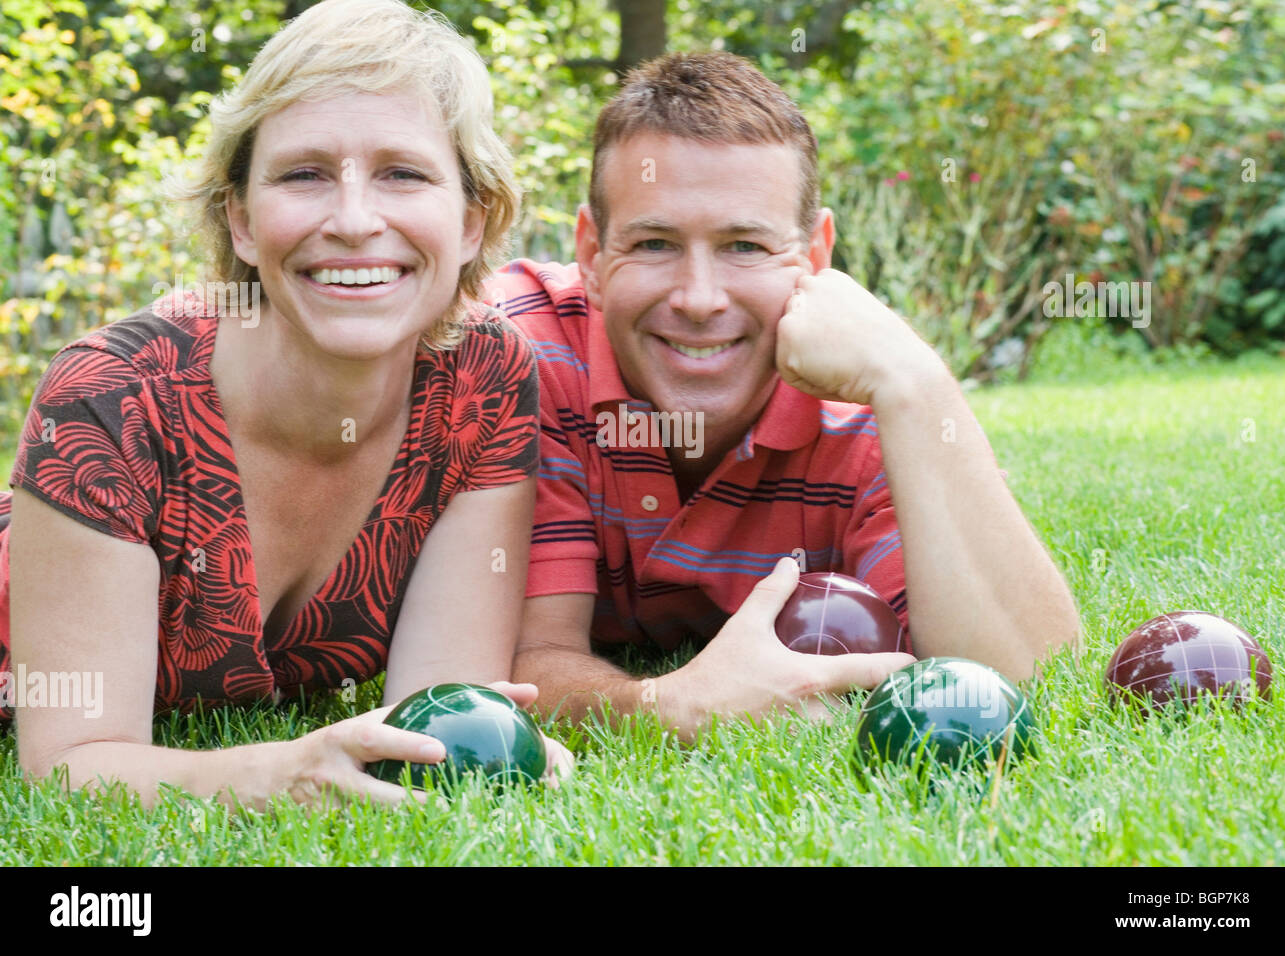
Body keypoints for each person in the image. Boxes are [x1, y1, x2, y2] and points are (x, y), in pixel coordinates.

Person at [0, 0, 571, 808]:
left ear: (473, 221)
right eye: (304, 174)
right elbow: (70, 766)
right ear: (239, 219)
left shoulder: (483, 375)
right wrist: (283, 774)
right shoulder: (112, 394)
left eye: (403, 173)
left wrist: (477, 748)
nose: (353, 220)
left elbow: (436, 714)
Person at [490, 52, 1080, 738]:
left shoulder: (869, 403)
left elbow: (1024, 676)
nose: (700, 299)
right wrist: (666, 708)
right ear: (591, 254)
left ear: (815, 257)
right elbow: (528, 658)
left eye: (744, 245)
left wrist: (915, 382)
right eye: (654, 244)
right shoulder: (521, 356)